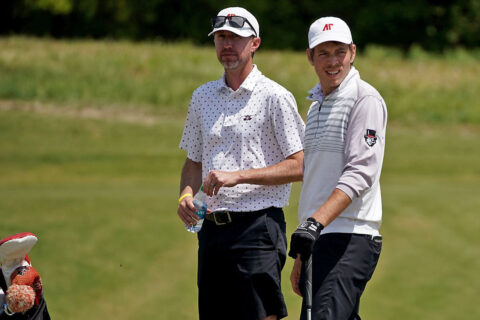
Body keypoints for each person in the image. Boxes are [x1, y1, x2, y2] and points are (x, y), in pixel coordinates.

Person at [177, 7, 305, 320]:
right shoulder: (202, 96)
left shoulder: (275, 96)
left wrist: (239, 177)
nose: (227, 44)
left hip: (257, 228)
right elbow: (193, 160)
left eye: (236, 37)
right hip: (211, 231)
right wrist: (185, 196)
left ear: (255, 43)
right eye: (221, 37)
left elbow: (301, 165)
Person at [288, 17, 387, 320]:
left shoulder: (364, 98)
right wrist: (306, 248)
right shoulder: (316, 105)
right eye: (324, 53)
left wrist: (314, 224)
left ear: (352, 52)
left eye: (339, 52)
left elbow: (361, 173)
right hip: (321, 239)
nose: (333, 62)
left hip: (351, 236)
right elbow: (316, 178)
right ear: (310, 57)